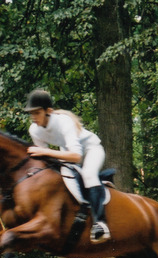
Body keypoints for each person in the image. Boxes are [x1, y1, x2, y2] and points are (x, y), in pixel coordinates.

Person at [23, 89, 110, 243]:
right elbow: (45, 157)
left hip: (90, 150)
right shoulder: (34, 130)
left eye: (37, 113)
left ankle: (101, 224)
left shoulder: (63, 121)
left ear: (48, 111)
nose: (33, 117)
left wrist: (44, 151)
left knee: (89, 174)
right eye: (31, 113)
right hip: (67, 153)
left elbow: (76, 156)